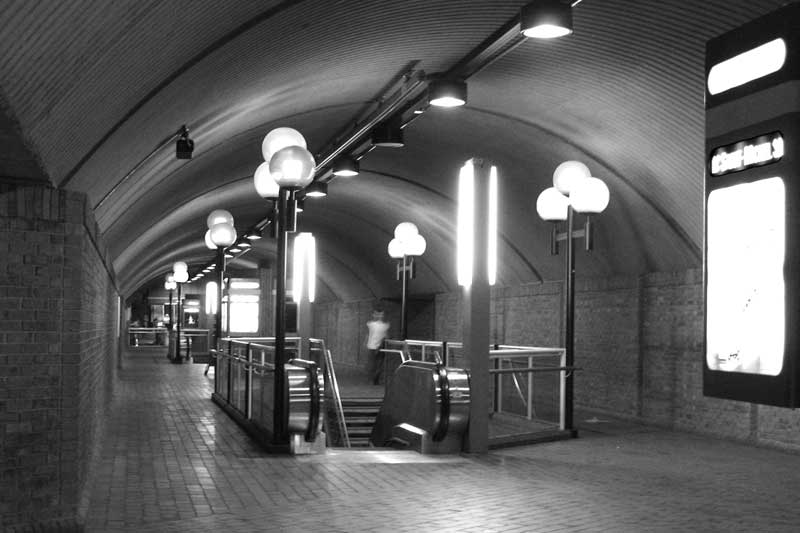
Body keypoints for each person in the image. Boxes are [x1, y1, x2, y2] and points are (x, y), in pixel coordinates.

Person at [365, 309, 390, 385]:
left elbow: (368, 335)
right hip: (375, 347)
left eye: (380, 314)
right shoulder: (384, 325)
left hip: (376, 347)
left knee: (375, 364)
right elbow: (386, 336)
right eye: (378, 314)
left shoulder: (371, 324)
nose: (379, 316)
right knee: (377, 364)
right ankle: (375, 379)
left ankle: (375, 379)